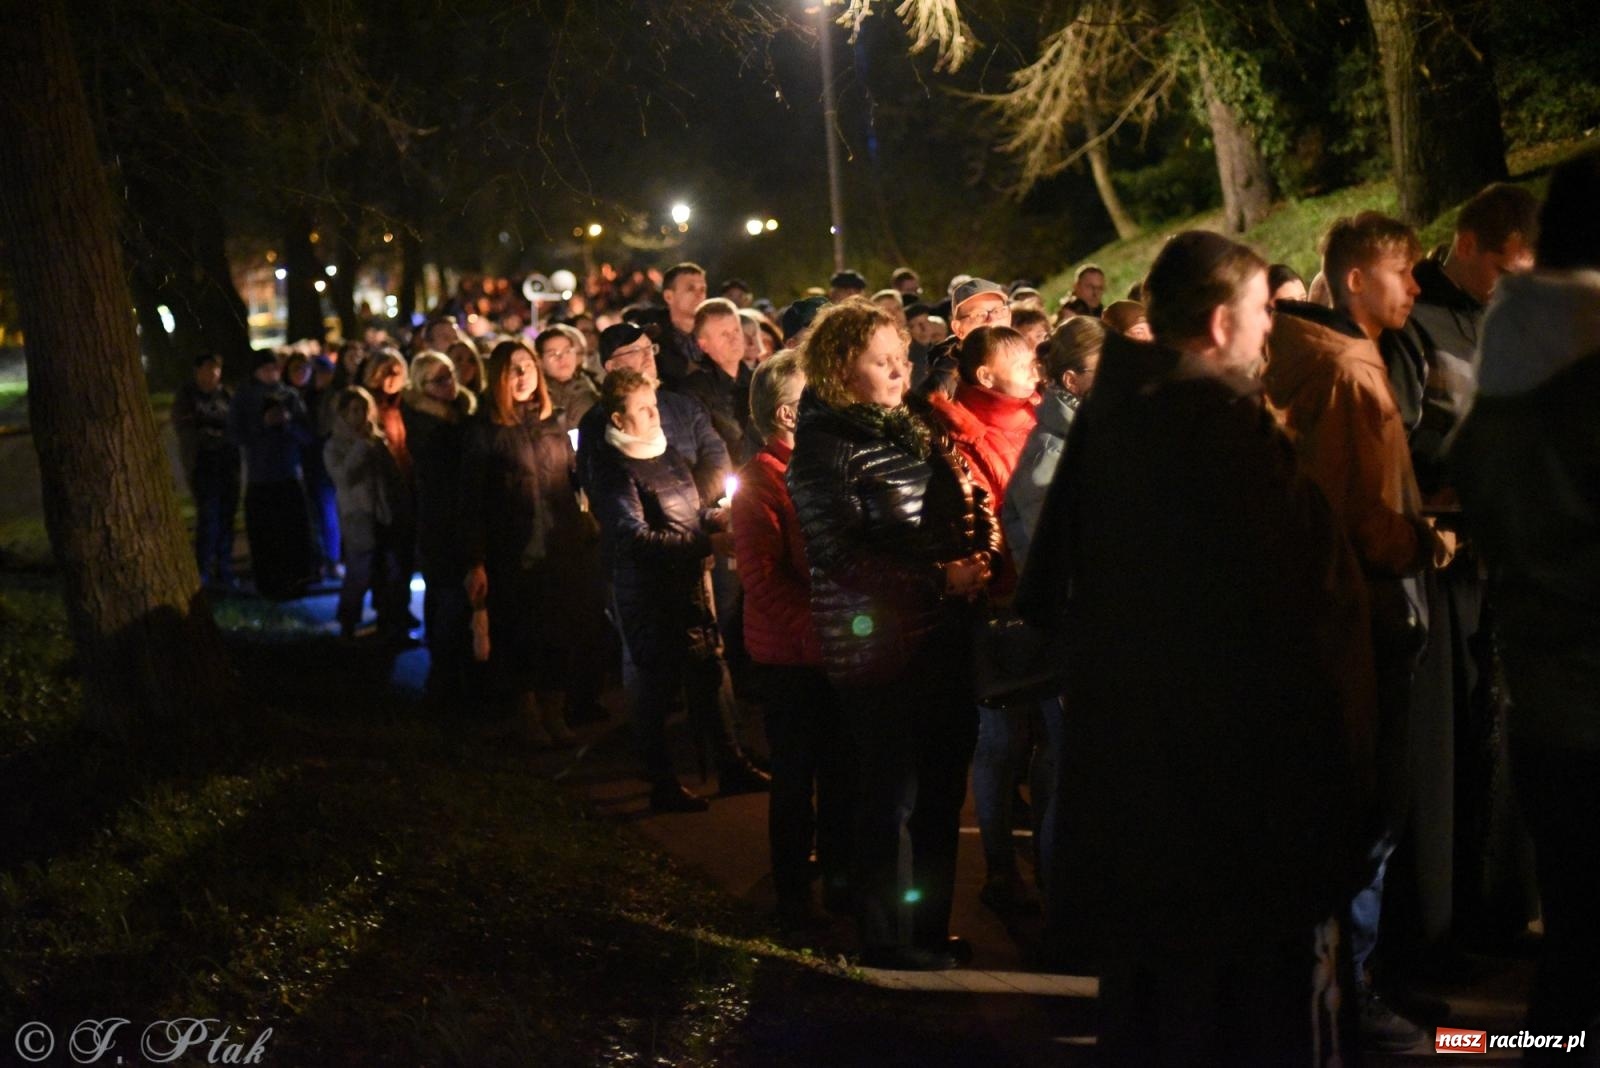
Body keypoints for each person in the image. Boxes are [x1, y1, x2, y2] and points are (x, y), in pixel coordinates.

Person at [1018, 231, 1375, 1064]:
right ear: (1218, 324)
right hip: (1228, 801)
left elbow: (1053, 591)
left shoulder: (1122, 421)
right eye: (1259, 315)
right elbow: (1299, 614)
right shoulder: (1214, 436)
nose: (1267, 333)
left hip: (1149, 790)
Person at [1264, 211, 1455, 1051]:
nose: (1415, 286)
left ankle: (1333, 989)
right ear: (1353, 281)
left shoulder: (1303, 353)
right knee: (1368, 814)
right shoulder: (1347, 370)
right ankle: (1356, 992)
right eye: (1402, 271)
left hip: (1324, 614)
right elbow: (1359, 514)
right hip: (1363, 614)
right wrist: (1429, 541)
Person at [788, 297, 1001, 971]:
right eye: (881, 362)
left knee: (940, 792)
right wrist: (940, 577)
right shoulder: (823, 449)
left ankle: (929, 928)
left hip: (944, 636)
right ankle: (887, 937)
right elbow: (838, 554)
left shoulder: (915, 425)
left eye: (900, 358)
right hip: (883, 648)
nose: (897, 371)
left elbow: (975, 493)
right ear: (839, 369)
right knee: (891, 793)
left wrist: (984, 553)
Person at [1449, 147, 1600, 1065]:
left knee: (1576, 933)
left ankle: (1551, 1046)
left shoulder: (1506, 354)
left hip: (1549, 693)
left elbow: (1481, 487)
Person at [1383, 183, 1541, 972]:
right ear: (1469, 244)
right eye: (1504, 268)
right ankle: (1436, 925)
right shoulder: (1417, 323)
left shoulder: (1519, 315)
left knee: (1502, 742)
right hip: (1445, 560)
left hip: (1508, 555)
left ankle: (1498, 908)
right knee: (1446, 744)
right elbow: (1403, 438)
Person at [589, 369, 769, 812]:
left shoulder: (666, 454)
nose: (657, 416)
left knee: (710, 672)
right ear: (618, 419)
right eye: (645, 410)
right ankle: (663, 784)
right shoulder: (615, 469)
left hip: (691, 587)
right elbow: (633, 537)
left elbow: (685, 514)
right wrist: (706, 541)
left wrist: (715, 517)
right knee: (655, 688)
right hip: (650, 596)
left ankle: (731, 765)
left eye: (656, 405)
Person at [924, 324, 1043, 916]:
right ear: (986, 375)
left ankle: (1050, 861)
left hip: (1049, 597)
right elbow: (983, 514)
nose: (1032, 364)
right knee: (1000, 741)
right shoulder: (960, 433)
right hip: (1000, 602)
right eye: (1019, 357)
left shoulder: (1042, 421)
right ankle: (1000, 867)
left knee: (1052, 742)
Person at [733, 352, 853, 930]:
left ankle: (835, 876)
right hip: (789, 657)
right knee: (794, 775)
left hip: (827, 649)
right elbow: (761, 578)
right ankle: (791, 891)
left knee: (836, 769)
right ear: (787, 412)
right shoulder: (762, 480)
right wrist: (819, 625)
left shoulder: (816, 465)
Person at [460, 339, 594, 745]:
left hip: (559, 545)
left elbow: (573, 480)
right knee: (520, 634)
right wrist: (476, 560)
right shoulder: (484, 430)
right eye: (513, 369)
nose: (522, 377)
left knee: (557, 631)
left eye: (528, 368)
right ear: (498, 377)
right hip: (512, 550)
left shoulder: (551, 423)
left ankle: (555, 712)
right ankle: (527, 714)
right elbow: (472, 501)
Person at [575, 322, 729, 505]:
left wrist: (694, 503)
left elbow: (716, 456)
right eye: (635, 350)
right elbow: (601, 486)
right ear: (611, 366)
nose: (648, 355)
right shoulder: (596, 422)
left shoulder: (684, 406)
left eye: (650, 347)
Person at [403, 350, 478, 704]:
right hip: (442, 522)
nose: (450, 383)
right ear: (422, 385)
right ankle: (444, 680)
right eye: (439, 379)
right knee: (448, 600)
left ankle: (461, 677)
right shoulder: (426, 424)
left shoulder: (464, 412)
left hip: (462, 519)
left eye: (450, 375)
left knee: (459, 602)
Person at [228, 350, 315, 599]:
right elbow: (235, 435)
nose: (272, 373)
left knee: (294, 534)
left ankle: (297, 582)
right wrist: (262, 425)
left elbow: (307, 435)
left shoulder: (289, 395)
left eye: (274, 369)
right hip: (260, 478)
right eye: (266, 369)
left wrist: (287, 423)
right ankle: (269, 585)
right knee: (266, 537)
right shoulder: (244, 397)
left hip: (288, 474)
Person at [324, 386, 407, 641]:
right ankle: (348, 621)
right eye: (354, 410)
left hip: (383, 512)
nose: (360, 416)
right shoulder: (335, 445)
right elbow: (343, 477)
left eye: (364, 410)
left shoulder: (376, 440)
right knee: (360, 570)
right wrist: (361, 447)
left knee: (388, 569)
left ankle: (388, 622)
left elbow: (392, 474)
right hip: (357, 513)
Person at [171, 353, 240, 589]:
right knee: (208, 517)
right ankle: (203, 570)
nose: (213, 374)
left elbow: (235, 423)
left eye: (216, 369)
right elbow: (187, 426)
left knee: (226, 517)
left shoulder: (226, 394)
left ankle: (225, 568)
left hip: (228, 464)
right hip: (203, 464)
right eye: (208, 369)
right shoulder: (187, 396)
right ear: (197, 370)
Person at [682, 298, 756, 467]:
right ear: (703, 345)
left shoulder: (759, 379)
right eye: (724, 334)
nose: (734, 339)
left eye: (736, 330)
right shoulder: (695, 390)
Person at [916, 278, 1012, 400]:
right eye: (979, 315)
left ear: (1009, 316)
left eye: (998, 311)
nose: (992, 319)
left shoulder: (1028, 363)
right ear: (958, 329)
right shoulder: (945, 381)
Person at [535, 323, 600, 431]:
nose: (562, 358)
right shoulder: (537, 398)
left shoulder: (592, 389)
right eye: (553, 354)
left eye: (567, 351)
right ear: (540, 361)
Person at [657, 262, 709, 388]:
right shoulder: (655, 341)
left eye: (703, 289)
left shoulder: (715, 334)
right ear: (669, 296)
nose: (699, 295)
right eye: (690, 289)